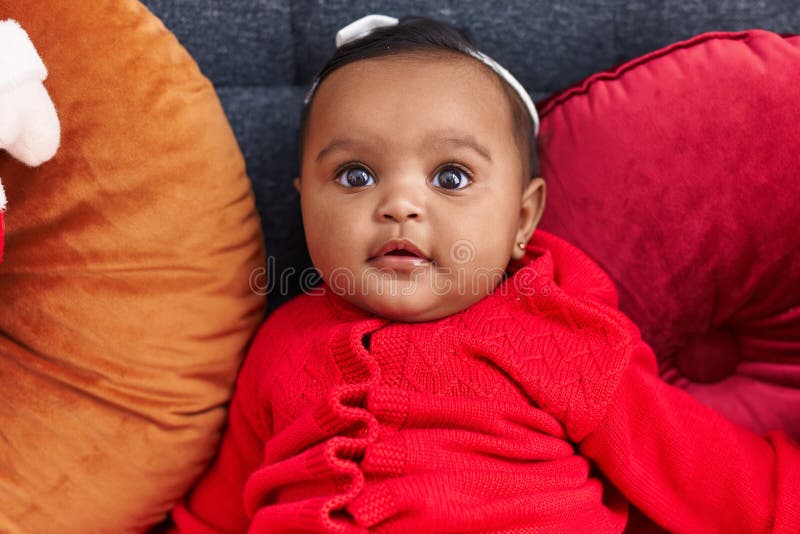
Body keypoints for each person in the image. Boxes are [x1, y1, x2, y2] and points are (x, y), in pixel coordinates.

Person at [171, 15, 799, 533]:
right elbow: (221, 506)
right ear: (304, 199)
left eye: (451, 177)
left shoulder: (555, 331)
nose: (400, 205)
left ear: (522, 219)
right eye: (355, 175)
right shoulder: (280, 340)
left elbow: (700, 469)